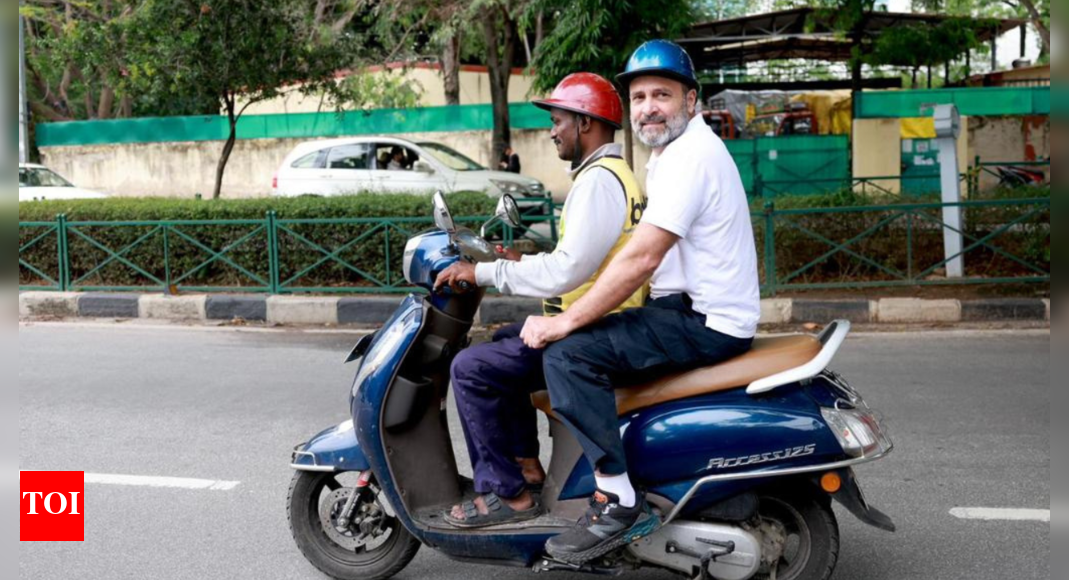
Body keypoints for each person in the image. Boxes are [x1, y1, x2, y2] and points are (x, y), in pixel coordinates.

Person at [518, 40, 761, 564]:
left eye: (663, 95)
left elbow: (643, 258)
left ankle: (617, 496)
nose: (649, 106)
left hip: (706, 321)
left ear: (690, 101)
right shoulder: (672, 153)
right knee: (584, 338)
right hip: (687, 309)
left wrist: (568, 323)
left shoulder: (689, 157)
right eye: (640, 96)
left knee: (569, 354)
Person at [432, 73, 648, 529]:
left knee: (470, 369)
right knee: (498, 342)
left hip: (594, 332)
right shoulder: (615, 175)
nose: (552, 131)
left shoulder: (597, 182)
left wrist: (485, 271)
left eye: (557, 121)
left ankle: (505, 494)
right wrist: (523, 259)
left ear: (585, 123)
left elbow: (568, 270)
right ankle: (527, 466)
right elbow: (582, 261)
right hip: (603, 322)